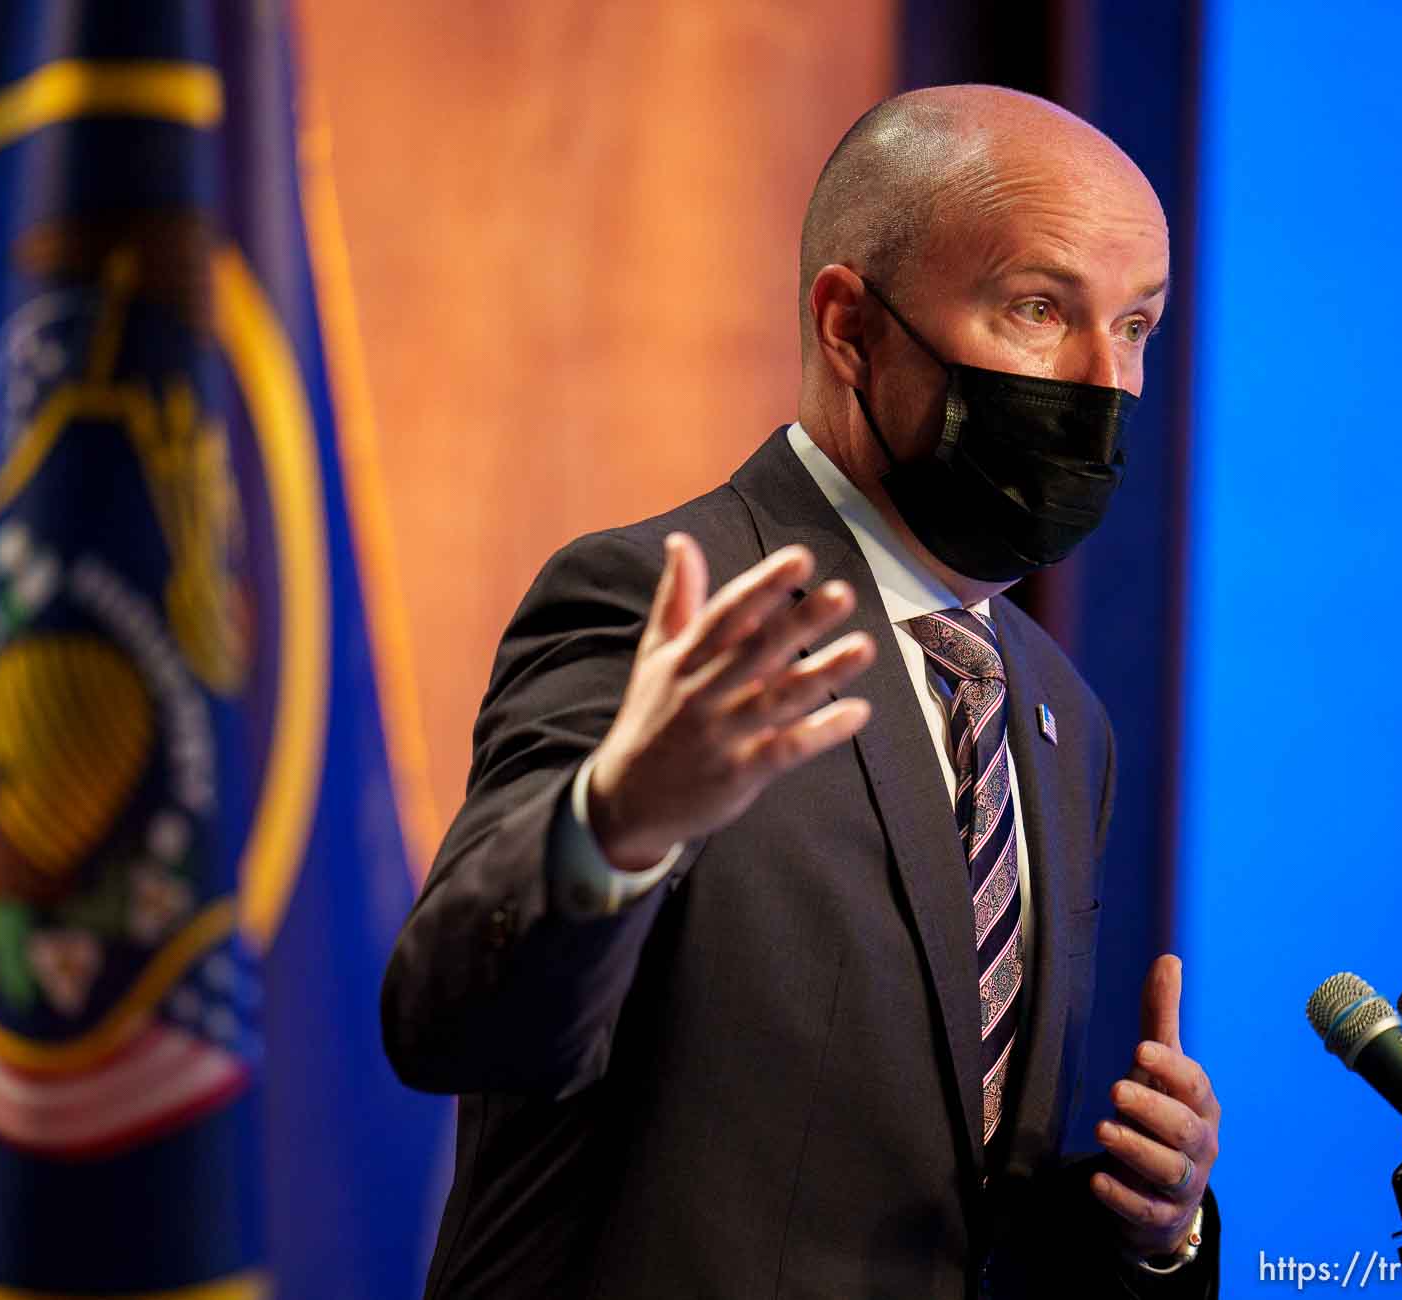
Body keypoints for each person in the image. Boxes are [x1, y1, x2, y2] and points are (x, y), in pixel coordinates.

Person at [381, 85, 1222, 1298]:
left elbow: (950, 1192)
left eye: (1136, 326)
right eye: (1041, 309)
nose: (1106, 382)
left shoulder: (1057, 711)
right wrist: (618, 823)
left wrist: (1159, 1227)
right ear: (849, 327)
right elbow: (452, 1022)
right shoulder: (665, 606)